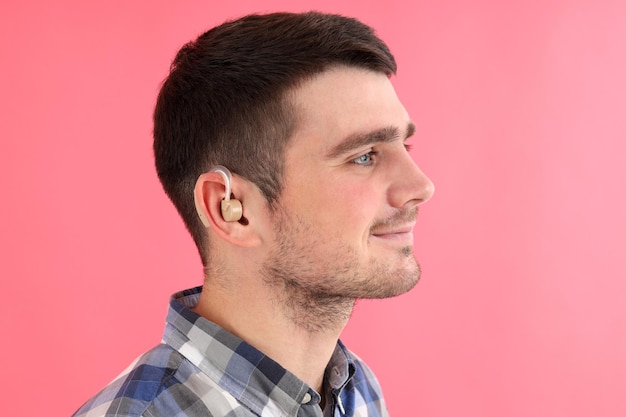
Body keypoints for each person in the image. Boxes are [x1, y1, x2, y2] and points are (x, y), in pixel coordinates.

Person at [73, 11, 434, 417]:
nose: (421, 187)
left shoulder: (357, 389)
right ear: (233, 211)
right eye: (364, 156)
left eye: (405, 147)